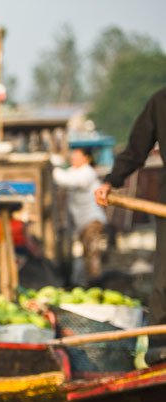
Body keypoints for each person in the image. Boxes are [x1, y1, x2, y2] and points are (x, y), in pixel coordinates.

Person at [96, 87, 166, 325]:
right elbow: (136, 149)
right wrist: (111, 181)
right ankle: (160, 350)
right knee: (163, 284)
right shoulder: (160, 101)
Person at [53, 147, 106, 281]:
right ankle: (86, 282)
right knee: (84, 255)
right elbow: (65, 175)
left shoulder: (87, 172)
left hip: (91, 220)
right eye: (73, 156)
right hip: (81, 222)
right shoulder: (74, 171)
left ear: (86, 158)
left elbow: (65, 179)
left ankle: (96, 283)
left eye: (77, 156)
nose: (73, 158)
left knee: (91, 253)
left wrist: (54, 167)